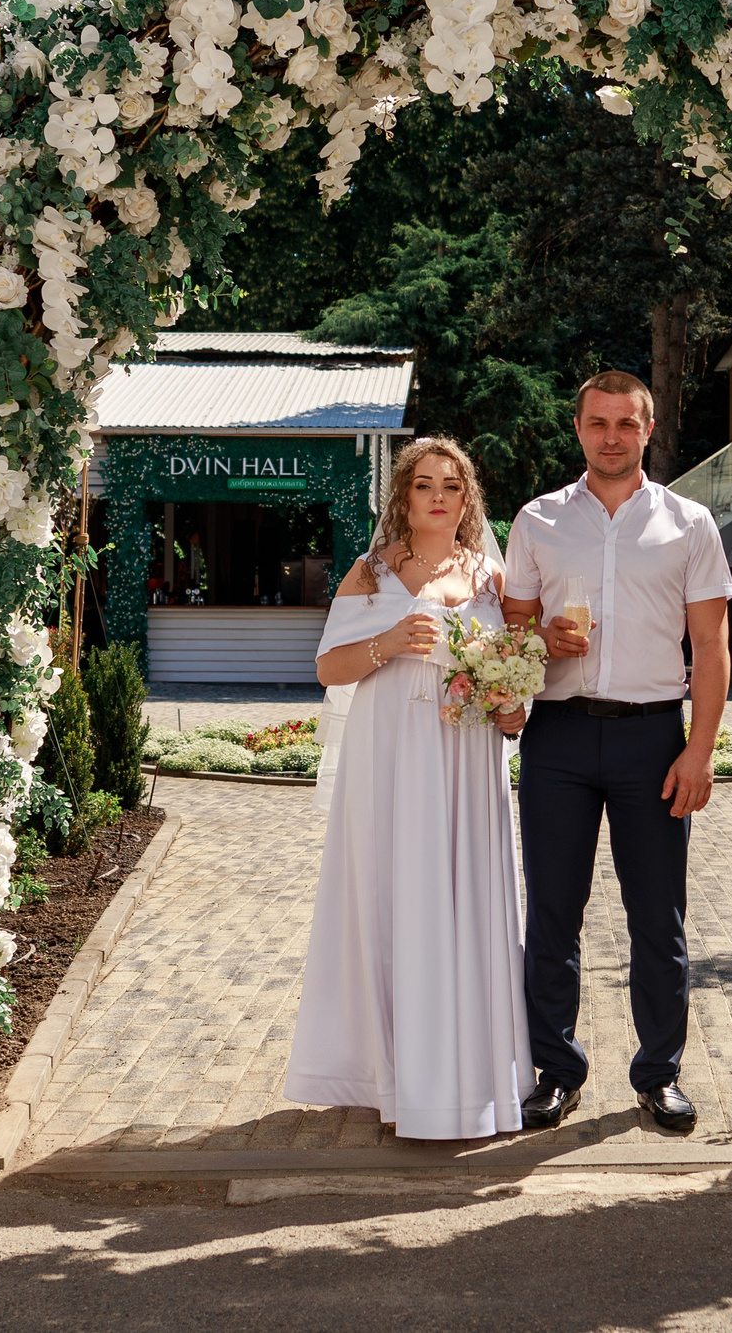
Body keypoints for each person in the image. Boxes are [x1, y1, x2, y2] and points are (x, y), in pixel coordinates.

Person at [501, 372, 732, 1135]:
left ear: (648, 427)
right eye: (598, 422)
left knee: (658, 917)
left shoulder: (690, 523)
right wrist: (540, 642)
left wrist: (698, 751)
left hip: (652, 738)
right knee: (553, 916)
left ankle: (659, 1074)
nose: (611, 436)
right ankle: (555, 1072)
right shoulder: (537, 521)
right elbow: (508, 640)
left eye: (625, 423)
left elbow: (711, 643)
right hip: (559, 736)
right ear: (577, 428)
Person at [283, 437, 531, 1139]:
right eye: (424, 485)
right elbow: (329, 666)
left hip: (466, 755)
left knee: (466, 898)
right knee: (396, 898)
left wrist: (515, 708)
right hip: (389, 753)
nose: (439, 497)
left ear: (468, 498)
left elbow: (515, 675)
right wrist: (389, 641)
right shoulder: (371, 571)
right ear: (404, 496)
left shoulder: (491, 576)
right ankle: (394, 1074)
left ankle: (470, 1072)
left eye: (452, 486)